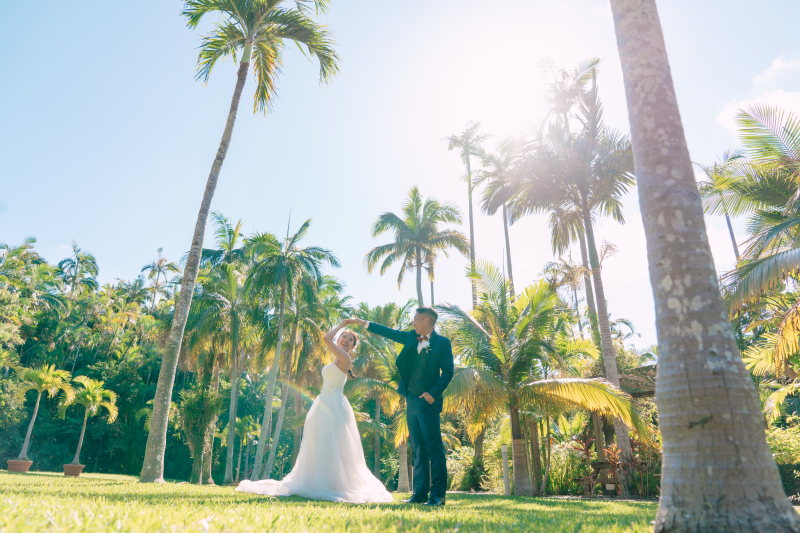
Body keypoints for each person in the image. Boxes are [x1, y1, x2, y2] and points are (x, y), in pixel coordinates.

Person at [235, 320, 392, 504]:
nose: (346, 340)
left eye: (350, 340)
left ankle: (332, 483)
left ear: (352, 347)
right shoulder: (337, 358)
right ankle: (318, 480)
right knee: (319, 443)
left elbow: (326, 338)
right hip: (324, 402)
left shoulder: (345, 358)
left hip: (333, 404)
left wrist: (342, 324)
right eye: (344, 337)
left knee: (332, 444)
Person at [348, 307, 454, 507]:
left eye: (415, 319)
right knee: (418, 449)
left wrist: (432, 394)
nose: (413, 322)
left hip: (429, 402)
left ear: (425, 320)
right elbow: (388, 332)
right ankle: (420, 494)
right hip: (411, 400)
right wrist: (364, 323)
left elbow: (448, 372)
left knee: (434, 449)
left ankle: (438, 496)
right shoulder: (410, 337)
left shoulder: (442, 343)